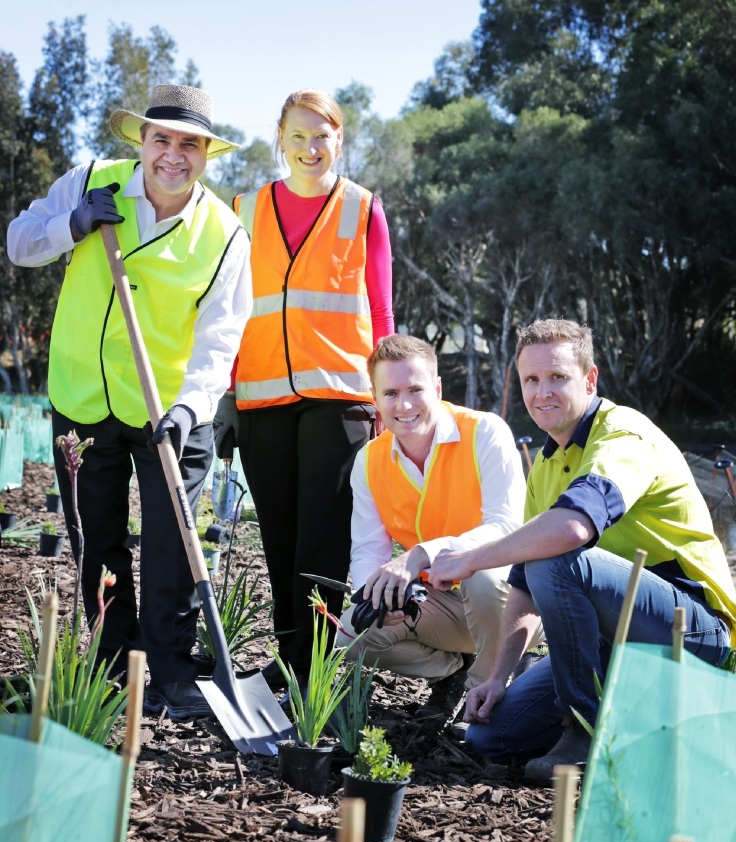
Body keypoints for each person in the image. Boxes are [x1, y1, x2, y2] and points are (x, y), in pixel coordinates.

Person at [8, 84, 252, 720]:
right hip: (84, 394)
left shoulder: (224, 234)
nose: (173, 155)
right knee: (98, 535)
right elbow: (18, 242)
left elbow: (221, 337)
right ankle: (116, 663)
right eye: (162, 139)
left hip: (170, 404)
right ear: (141, 141)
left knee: (173, 540)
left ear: (206, 154)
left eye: (189, 144)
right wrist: (74, 223)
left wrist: (189, 408)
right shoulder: (91, 180)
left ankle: (172, 672)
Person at [428, 318, 736, 782]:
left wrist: (471, 558)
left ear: (589, 380)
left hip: (690, 632)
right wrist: (497, 675)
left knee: (557, 558)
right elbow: (524, 589)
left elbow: (572, 529)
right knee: (491, 739)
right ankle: (627, 719)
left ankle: (584, 730)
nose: (542, 392)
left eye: (558, 377)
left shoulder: (624, 435)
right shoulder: (546, 466)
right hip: (614, 641)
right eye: (531, 380)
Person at [213, 89, 393, 688]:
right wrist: (229, 395)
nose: (310, 148)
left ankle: (314, 670)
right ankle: (287, 665)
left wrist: (387, 397)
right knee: (279, 538)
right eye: (298, 135)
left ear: (339, 140)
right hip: (261, 399)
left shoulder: (363, 209)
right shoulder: (244, 209)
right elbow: (230, 311)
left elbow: (382, 311)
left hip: (340, 398)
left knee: (323, 541)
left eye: (322, 135)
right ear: (279, 140)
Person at [340, 333, 534, 717]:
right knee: (354, 633)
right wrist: (375, 598)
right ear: (374, 399)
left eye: (415, 389)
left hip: (516, 600)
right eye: (390, 393)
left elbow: (506, 527)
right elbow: (367, 550)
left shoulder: (485, 432)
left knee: (482, 576)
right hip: (440, 603)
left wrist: (424, 553)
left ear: (438, 388)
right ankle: (456, 671)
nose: (404, 404)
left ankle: (491, 689)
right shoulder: (368, 461)